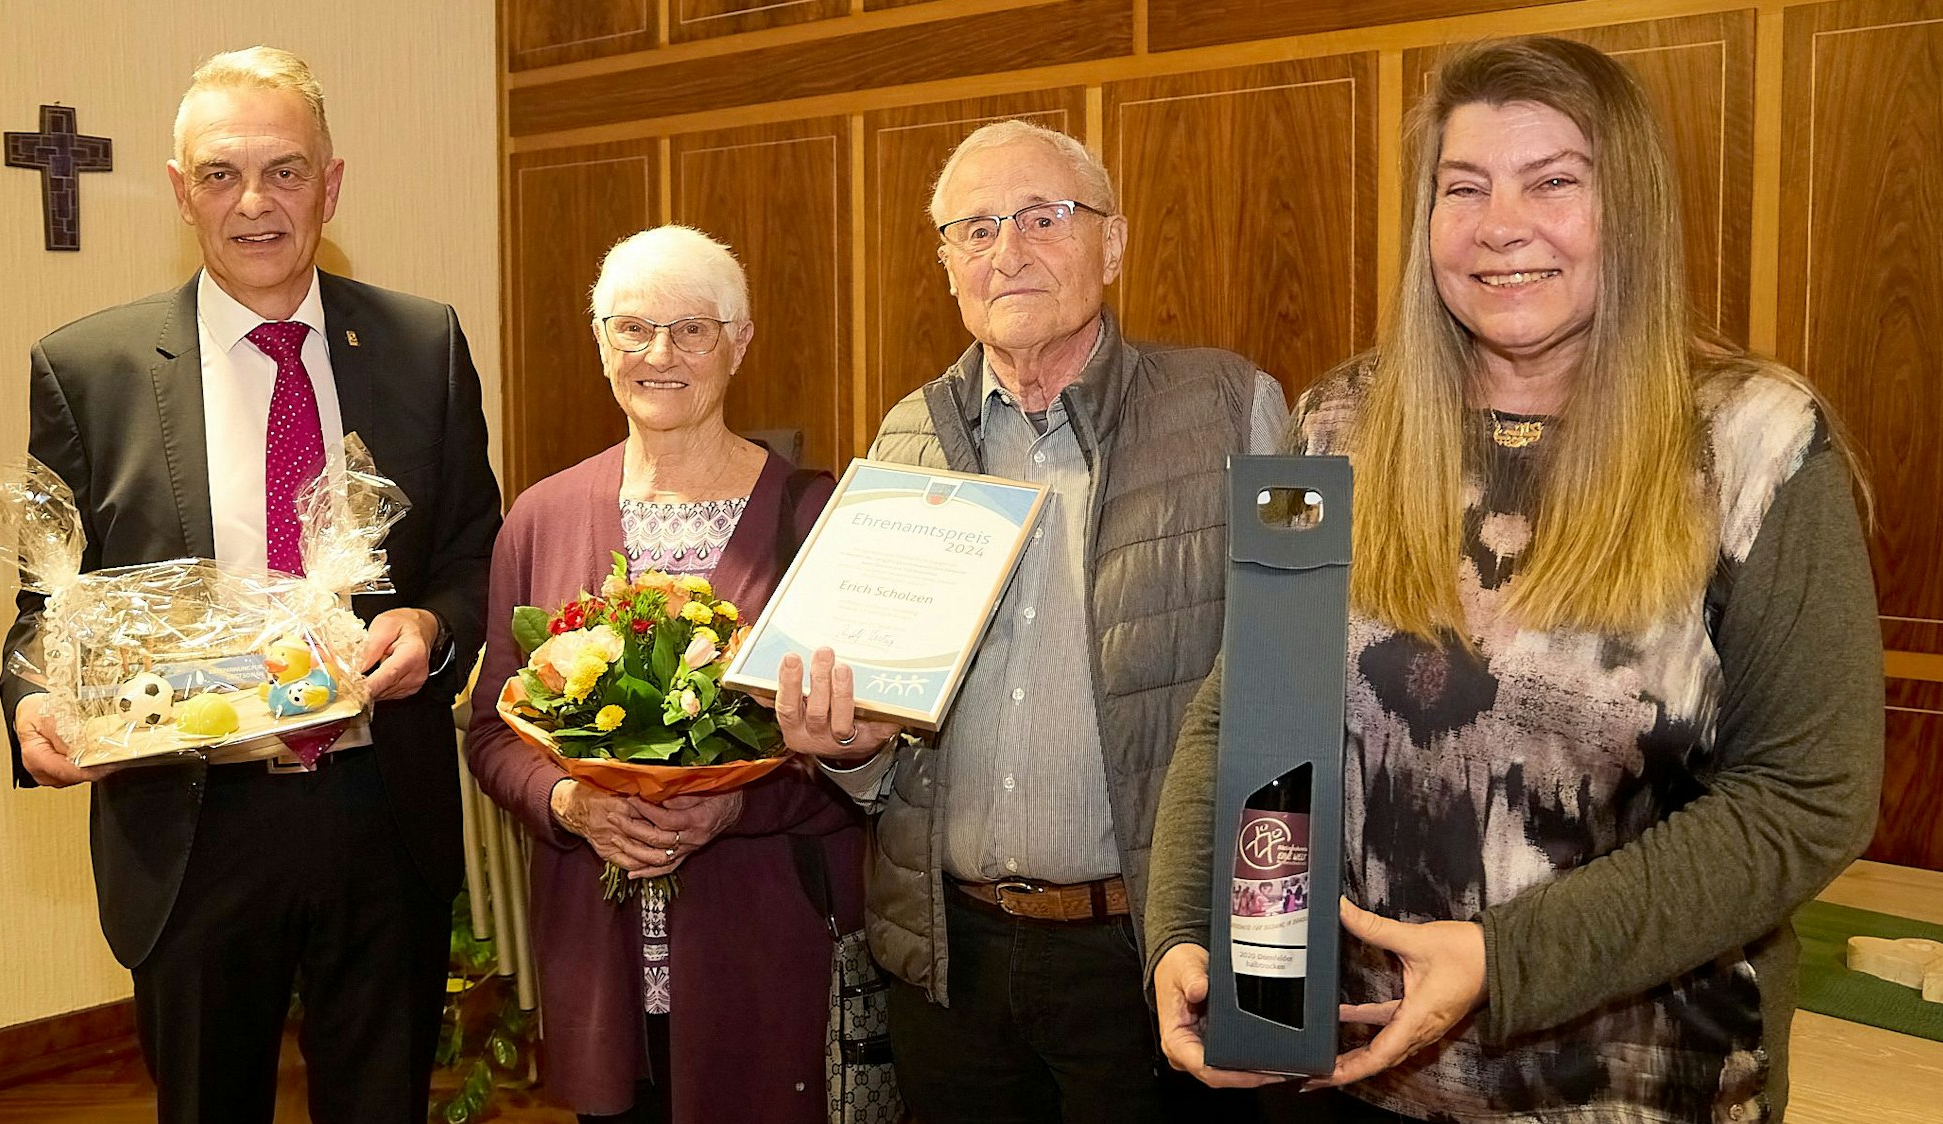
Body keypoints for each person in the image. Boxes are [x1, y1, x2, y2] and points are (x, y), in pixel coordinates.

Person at [1145, 36, 1884, 1123]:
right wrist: (1183, 927)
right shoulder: (1338, 423)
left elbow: (1807, 799)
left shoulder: (1754, 446)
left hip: (1641, 1087)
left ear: (1626, 209)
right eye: (1465, 187)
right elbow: (1241, 711)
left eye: (1553, 183)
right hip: (1349, 1078)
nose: (1502, 224)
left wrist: (1504, 957)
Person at [0, 47, 502, 1124]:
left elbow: (471, 553)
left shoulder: (423, 344)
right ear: (181, 192)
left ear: (332, 181)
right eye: (221, 174)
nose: (255, 202)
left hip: (380, 812)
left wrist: (427, 622)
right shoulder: (87, 369)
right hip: (192, 825)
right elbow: (51, 605)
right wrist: (36, 699)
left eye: (284, 170)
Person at [773, 120, 1288, 1123]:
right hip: (952, 957)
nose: (1005, 250)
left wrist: (1262, 950)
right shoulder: (906, 434)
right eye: (973, 229)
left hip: (1148, 953)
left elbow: (1295, 696)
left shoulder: (1233, 405)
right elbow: (883, 741)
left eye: (1041, 218)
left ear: (1114, 242)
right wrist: (845, 750)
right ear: (946, 266)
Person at [463, 225, 866, 1124]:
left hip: (764, 944)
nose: (660, 355)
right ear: (600, 340)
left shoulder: (819, 520)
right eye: (633, 328)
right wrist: (572, 804)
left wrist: (735, 800)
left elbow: (863, 752)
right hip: (598, 954)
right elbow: (493, 730)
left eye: (693, 329)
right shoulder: (540, 517)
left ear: (741, 341)